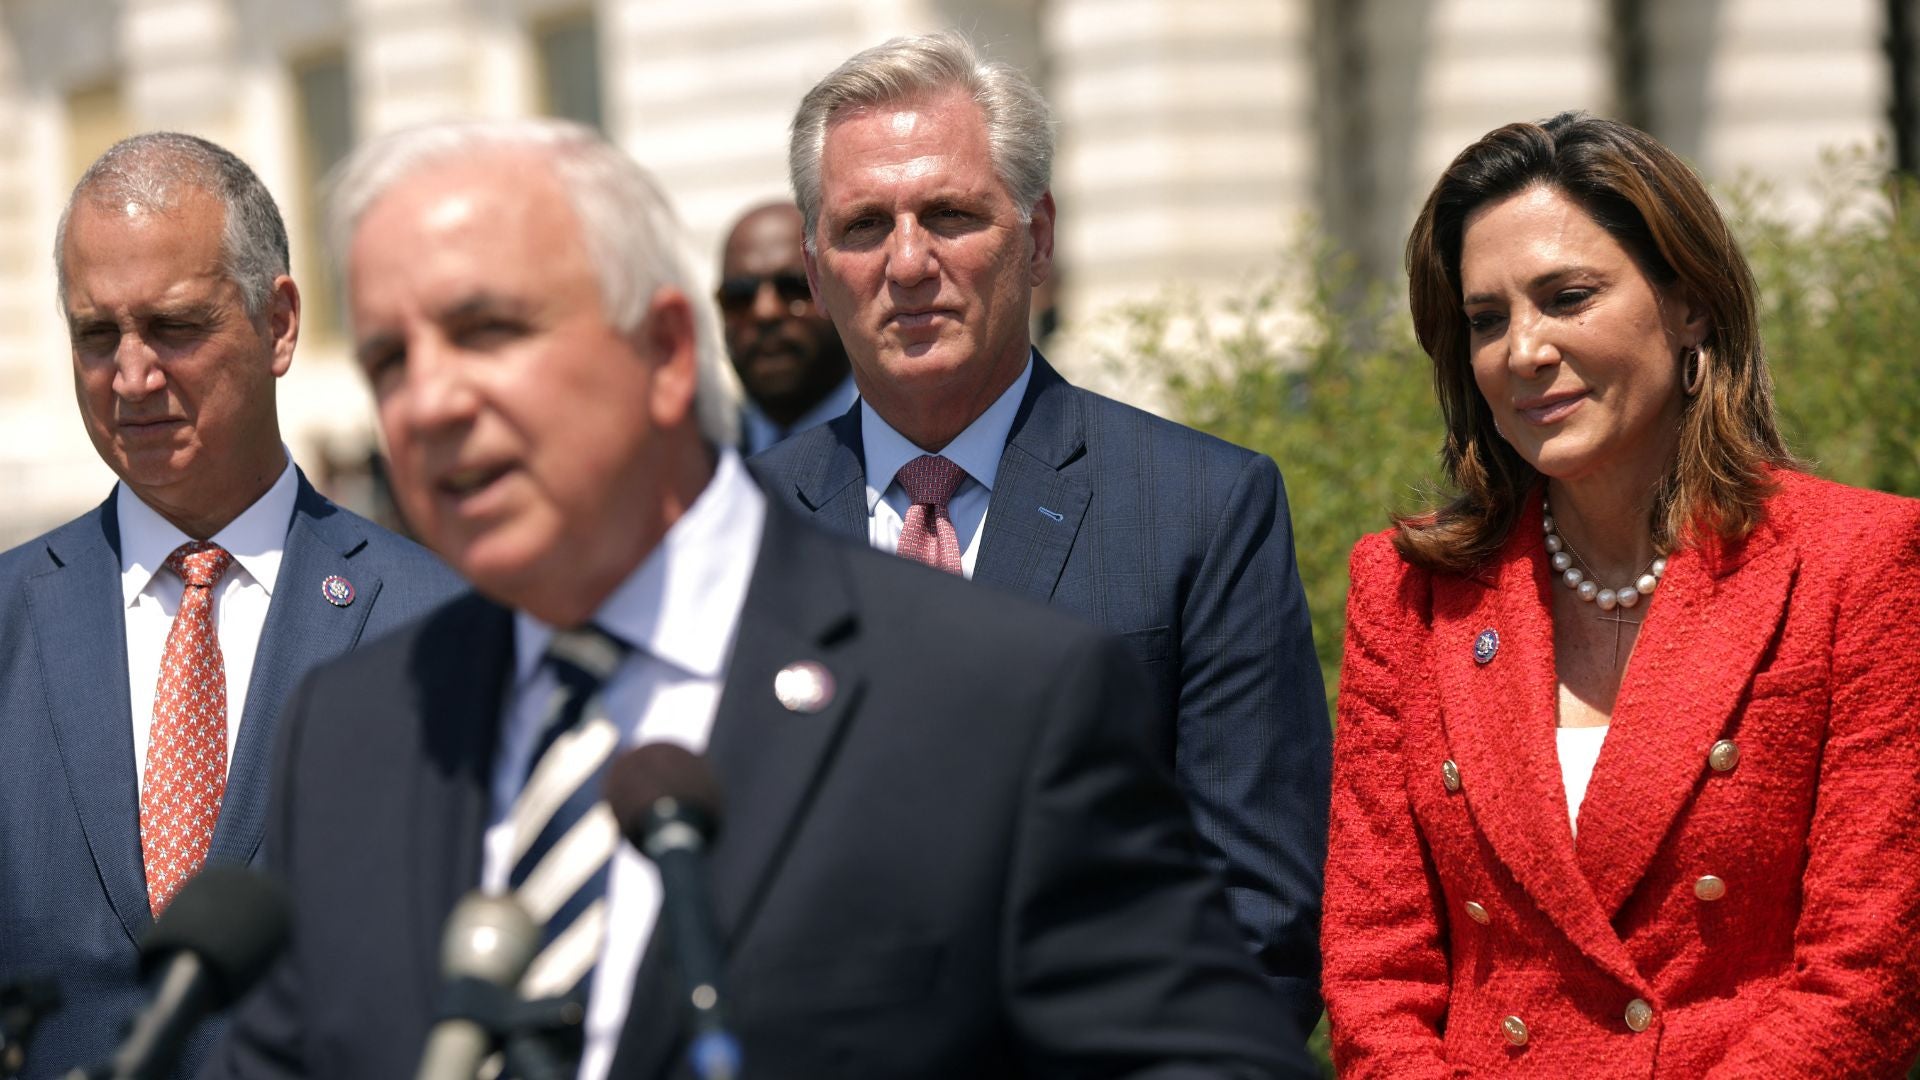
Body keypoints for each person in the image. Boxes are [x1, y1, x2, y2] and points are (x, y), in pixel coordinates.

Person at [208, 117, 1312, 1080]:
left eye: (491, 332)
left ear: (668, 354)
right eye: (393, 359)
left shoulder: (998, 699)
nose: (432, 401)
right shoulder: (353, 730)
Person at [749, 31, 1331, 1031]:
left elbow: (1260, 915)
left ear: (1038, 235)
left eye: (950, 214)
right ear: (814, 271)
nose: (908, 262)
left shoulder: (1200, 508)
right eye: (862, 227)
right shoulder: (736, 531)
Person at [1321, 111, 1920, 1077]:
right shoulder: (1407, 590)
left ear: (1689, 305)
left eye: (1567, 297)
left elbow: (1866, 975)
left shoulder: (1856, 563)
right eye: (1486, 319)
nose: (1522, 349)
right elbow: (1373, 968)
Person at [0, 133, 460, 1078]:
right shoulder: (9, 623)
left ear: (279, 322)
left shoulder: (439, 626)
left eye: (174, 327)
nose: (131, 377)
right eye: (97, 335)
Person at [718, 201, 857, 454]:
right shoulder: (701, 463)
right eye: (740, 296)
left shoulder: (899, 441)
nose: (765, 312)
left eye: (794, 288)